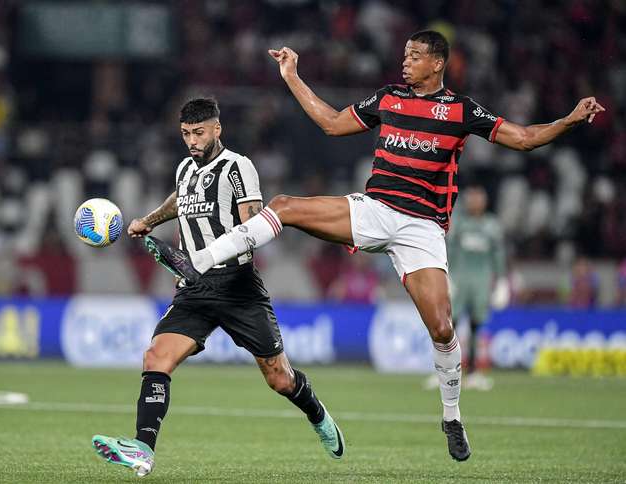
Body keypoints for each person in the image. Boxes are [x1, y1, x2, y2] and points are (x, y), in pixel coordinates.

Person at [144, 31, 605, 462]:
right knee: (284, 204)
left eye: (415, 56)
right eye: (404, 54)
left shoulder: (462, 111)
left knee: (443, 328)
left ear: (438, 63)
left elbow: (522, 139)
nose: (405, 61)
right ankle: (201, 259)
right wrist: (292, 77)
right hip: (374, 209)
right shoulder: (389, 98)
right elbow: (330, 123)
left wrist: (569, 118)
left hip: (422, 227)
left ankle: (452, 416)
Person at [92, 98, 344, 477]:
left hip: (238, 286)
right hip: (193, 288)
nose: (192, 141)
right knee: (156, 357)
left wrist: (210, 254)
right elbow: (181, 200)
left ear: (216, 129)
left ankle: (318, 414)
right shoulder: (184, 169)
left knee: (279, 378)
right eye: (185, 134)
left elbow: (254, 227)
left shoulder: (238, 167)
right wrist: (149, 220)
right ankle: (143, 448)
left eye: (198, 133)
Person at [446, 186, 507, 391]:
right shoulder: (459, 223)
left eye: (479, 198)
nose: (475, 202)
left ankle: (472, 371)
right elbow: (449, 250)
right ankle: (445, 371)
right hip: (459, 278)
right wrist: (445, 276)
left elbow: (498, 254)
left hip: (481, 280)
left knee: (475, 324)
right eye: (472, 198)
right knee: (449, 325)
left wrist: (501, 281)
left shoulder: (492, 225)